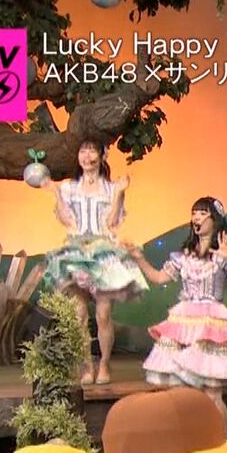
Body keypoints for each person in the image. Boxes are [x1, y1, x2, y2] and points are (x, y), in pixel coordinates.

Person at [129, 197, 227, 430]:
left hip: (211, 325)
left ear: (214, 219)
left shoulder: (225, 254)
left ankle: (221, 440)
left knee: (212, 392)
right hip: (183, 323)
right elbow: (159, 277)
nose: (196, 218)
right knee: (182, 390)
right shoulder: (183, 255)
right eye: (194, 213)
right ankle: (190, 439)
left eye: (202, 213)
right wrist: (139, 259)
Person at [42, 140, 148, 384]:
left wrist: (120, 192)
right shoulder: (69, 188)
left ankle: (105, 364)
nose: (87, 155)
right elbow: (68, 222)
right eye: (83, 150)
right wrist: (56, 193)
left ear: (102, 155)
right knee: (79, 314)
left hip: (103, 253)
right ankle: (86, 366)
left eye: (92, 150)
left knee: (103, 314)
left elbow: (111, 223)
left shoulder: (111, 188)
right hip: (76, 252)